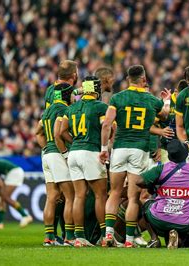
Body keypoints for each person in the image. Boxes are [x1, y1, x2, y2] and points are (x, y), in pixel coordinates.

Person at [100, 65, 170, 248]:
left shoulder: (117, 98)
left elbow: (107, 124)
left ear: (128, 79)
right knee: (133, 197)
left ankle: (108, 234)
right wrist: (167, 101)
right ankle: (130, 240)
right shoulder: (152, 100)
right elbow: (164, 116)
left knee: (114, 193)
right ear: (144, 79)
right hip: (139, 150)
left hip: (120, 148)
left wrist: (103, 148)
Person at [55, 76, 109, 247]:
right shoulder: (101, 106)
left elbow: (62, 132)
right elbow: (106, 127)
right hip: (91, 151)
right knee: (100, 195)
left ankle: (79, 237)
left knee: (79, 196)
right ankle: (103, 235)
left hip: (74, 153)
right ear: (96, 90)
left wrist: (75, 141)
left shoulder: (71, 108)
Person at [136, 139, 189, 249]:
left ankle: (154, 239)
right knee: (179, 227)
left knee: (146, 204)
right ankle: (177, 239)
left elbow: (138, 181)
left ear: (170, 156)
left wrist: (152, 185)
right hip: (184, 222)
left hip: (160, 218)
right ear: (185, 154)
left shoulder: (161, 169)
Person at [37, 82, 76, 246]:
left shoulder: (47, 111)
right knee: (70, 197)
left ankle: (49, 237)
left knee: (51, 197)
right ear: (67, 96)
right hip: (58, 154)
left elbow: (38, 133)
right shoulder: (63, 110)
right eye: (73, 94)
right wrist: (71, 144)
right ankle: (69, 237)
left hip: (47, 155)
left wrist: (45, 146)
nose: (75, 97)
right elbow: (59, 133)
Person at [160, 79, 188, 163]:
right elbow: (153, 124)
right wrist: (161, 132)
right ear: (176, 92)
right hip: (166, 147)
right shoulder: (165, 102)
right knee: (168, 174)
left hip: (185, 147)